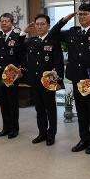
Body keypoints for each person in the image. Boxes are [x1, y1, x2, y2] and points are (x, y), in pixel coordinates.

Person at [48, 3, 90, 154]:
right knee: (81, 111)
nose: (82, 17)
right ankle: (84, 139)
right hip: (76, 77)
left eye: (85, 14)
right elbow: (52, 35)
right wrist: (64, 20)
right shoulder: (72, 32)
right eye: (80, 14)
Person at [19, 14, 64, 146]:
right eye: (37, 24)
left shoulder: (53, 41)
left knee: (50, 108)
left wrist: (59, 81)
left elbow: (59, 63)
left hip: (49, 81)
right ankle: (42, 133)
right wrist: (23, 32)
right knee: (39, 109)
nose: (39, 26)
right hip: (34, 80)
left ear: (48, 26)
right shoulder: (31, 41)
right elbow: (17, 47)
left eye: (42, 24)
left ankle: (51, 134)